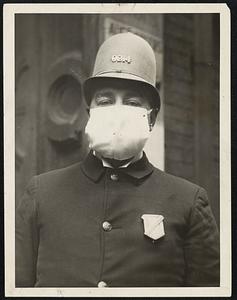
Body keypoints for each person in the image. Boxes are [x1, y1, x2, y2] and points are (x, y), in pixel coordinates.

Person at [16, 32, 219, 287]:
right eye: (106, 101)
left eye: (132, 102)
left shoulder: (188, 202)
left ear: (151, 118)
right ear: (90, 112)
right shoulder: (41, 195)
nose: (118, 112)